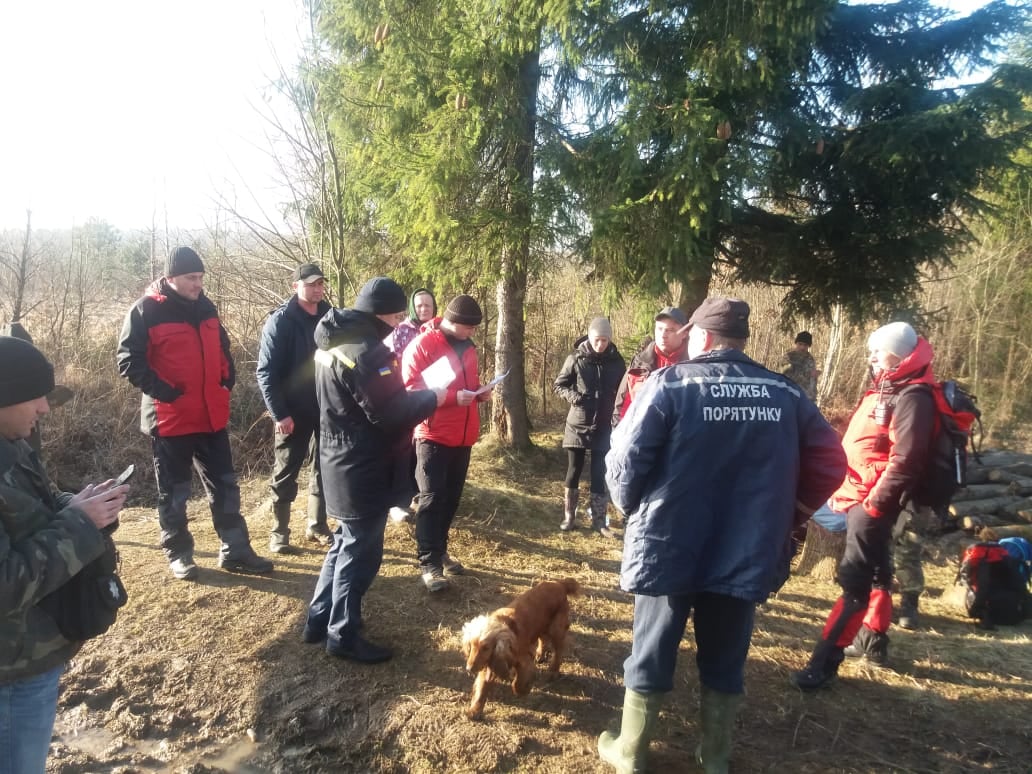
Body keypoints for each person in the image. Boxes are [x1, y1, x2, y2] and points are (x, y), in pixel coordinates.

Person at [598, 298, 845, 774]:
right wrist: (789, 515)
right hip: (747, 546)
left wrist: (632, 509)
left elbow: (625, 461)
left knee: (650, 648)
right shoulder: (786, 394)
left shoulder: (668, 385)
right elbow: (833, 463)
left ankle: (630, 753)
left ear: (702, 339)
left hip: (669, 542)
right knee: (727, 653)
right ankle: (715, 758)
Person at [0, 336, 129, 774]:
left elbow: (32, 517)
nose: (44, 408)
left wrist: (80, 508)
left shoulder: (13, 446)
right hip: (10, 675)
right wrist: (79, 525)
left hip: (28, 656)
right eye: (35, 397)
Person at [302, 277, 443, 663]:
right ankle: (343, 634)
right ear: (379, 313)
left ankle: (318, 620)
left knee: (343, 543)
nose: (400, 322)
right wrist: (436, 396)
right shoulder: (367, 353)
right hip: (362, 466)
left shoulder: (334, 342)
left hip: (337, 458)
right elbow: (391, 414)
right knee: (360, 553)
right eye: (397, 315)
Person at [793, 321, 937, 689]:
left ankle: (822, 666)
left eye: (878, 350)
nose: (870, 356)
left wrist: (875, 504)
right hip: (857, 493)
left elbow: (907, 460)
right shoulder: (889, 386)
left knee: (853, 581)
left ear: (900, 354)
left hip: (871, 500)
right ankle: (872, 642)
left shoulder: (913, 397)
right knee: (877, 572)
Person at [116, 246, 272, 581]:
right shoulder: (145, 311)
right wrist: (167, 392)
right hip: (170, 420)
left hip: (211, 417)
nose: (198, 284)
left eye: (200, 277)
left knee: (226, 487)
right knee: (174, 493)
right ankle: (179, 554)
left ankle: (235, 550)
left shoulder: (206, 307)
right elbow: (128, 361)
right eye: (191, 278)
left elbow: (222, 348)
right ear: (171, 277)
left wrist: (226, 378)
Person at [402, 294, 493, 592]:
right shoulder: (423, 346)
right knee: (430, 499)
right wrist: (455, 398)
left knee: (451, 498)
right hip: (433, 435)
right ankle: (428, 564)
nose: (474, 333)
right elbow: (412, 390)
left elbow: (469, 382)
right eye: (470, 327)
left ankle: (440, 550)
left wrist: (481, 392)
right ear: (455, 323)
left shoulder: (469, 347)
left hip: (464, 435)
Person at [256, 263, 334, 554]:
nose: (317, 288)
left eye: (320, 284)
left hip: (325, 408)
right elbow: (266, 372)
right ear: (296, 286)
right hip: (292, 412)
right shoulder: (281, 321)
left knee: (324, 468)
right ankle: (279, 533)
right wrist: (279, 413)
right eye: (311, 283)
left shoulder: (329, 316)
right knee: (286, 471)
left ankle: (317, 525)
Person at [553, 317, 625, 536]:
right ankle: (569, 517)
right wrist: (574, 396)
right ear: (589, 337)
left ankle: (599, 520)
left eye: (604, 340)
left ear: (609, 340)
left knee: (599, 472)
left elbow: (624, 390)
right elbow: (559, 385)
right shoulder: (576, 357)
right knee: (574, 470)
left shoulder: (617, 361)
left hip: (604, 424)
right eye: (596, 339)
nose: (600, 344)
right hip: (578, 423)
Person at [384, 287, 438, 523]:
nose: (424, 309)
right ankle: (397, 502)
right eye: (419, 305)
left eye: (428, 305)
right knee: (402, 450)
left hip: (433, 397)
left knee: (422, 450)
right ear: (412, 309)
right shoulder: (401, 331)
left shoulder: (439, 330)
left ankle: (419, 494)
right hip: (405, 397)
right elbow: (391, 362)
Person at [611, 306, 690, 425]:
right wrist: (619, 438)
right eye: (659, 329)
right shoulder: (640, 362)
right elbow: (622, 408)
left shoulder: (694, 365)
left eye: (671, 330)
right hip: (643, 437)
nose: (663, 335)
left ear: (684, 333)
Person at [782, 331, 819, 400]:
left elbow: (813, 381)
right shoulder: (788, 357)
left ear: (808, 346)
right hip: (790, 395)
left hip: (806, 398)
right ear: (796, 344)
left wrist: (813, 396)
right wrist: (809, 374)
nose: (802, 347)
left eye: (805, 345)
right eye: (800, 344)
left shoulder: (810, 359)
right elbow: (785, 376)